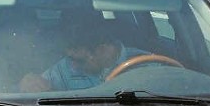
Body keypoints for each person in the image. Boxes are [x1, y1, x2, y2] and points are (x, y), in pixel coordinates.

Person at [19, 27, 149, 92]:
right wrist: (26, 84)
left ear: (101, 50)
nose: (73, 67)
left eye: (79, 60)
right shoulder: (66, 66)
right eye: (70, 58)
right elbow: (36, 87)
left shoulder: (147, 64)